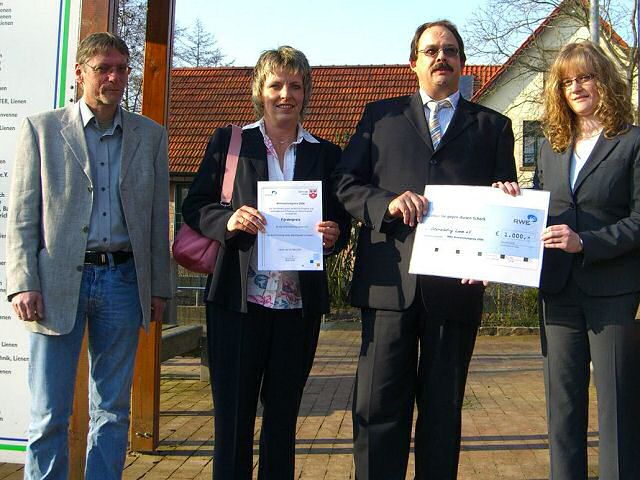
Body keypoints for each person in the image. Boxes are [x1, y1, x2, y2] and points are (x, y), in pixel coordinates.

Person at [333, 20, 517, 479]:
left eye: (451, 51)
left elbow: (506, 201)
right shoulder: (380, 117)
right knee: (377, 408)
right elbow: (345, 185)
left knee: (442, 415)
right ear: (413, 62)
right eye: (431, 50)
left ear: (462, 63)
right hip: (388, 285)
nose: (441, 57)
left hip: (455, 289)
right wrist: (386, 202)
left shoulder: (493, 126)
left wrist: (504, 203)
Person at [5, 32, 171, 479]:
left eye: (121, 68)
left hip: (122, 281)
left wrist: (158, 288)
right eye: (103, 68)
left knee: (113, 411)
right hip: (57, 284)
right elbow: (22, 215)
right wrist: (23, 281)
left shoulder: (150, 136)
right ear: (80, 73)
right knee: (48, 414)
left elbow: (157, 220)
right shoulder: (40, 130)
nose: (114, 77)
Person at [181, 46, 349, 479]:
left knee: (282, 423)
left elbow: (341, 221)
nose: (285, 95)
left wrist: (333, 234)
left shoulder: (325, 154)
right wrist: (229, 218)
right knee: (233, 420)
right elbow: (195, 205)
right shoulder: (231, 142)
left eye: (295, 86)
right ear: (260, 90)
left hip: (297, 307)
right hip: (238, 303)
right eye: (276, 84)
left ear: (305, 92)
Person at [534, 41, 640, 479]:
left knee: (617, 406)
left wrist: (587, 242)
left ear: (604, 82)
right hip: (557, 293)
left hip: (613, 290)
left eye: (585, 77)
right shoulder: (549, 147)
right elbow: (536, 212)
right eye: (566, 81)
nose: (576, 87)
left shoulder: (632, 142)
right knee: (562, 408)